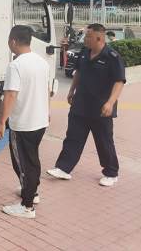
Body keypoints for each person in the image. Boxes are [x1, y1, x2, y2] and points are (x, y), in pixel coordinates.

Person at [47, 23, 126, 187]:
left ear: (98, 38)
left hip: (100, 108)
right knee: (72, 138)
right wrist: (71, 91)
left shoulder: (112, 57)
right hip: (80, 105)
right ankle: (63, 168)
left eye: (88, 36)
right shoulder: (84, 52)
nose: (85, 39)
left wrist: (110, 103)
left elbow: (119, 81)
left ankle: (111, 173)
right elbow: (78, 72)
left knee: (104, 142)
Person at [0, 25, 50, 219]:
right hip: (40, 121)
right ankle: (32, 192)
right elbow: (46, 88)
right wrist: (47, 111)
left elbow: (10, 95)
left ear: (13, 41)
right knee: (32, 160)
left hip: (24, 124)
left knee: (24, 164)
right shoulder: (42, 62)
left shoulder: (16, 65)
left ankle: (27, 206)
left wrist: (2, 121)